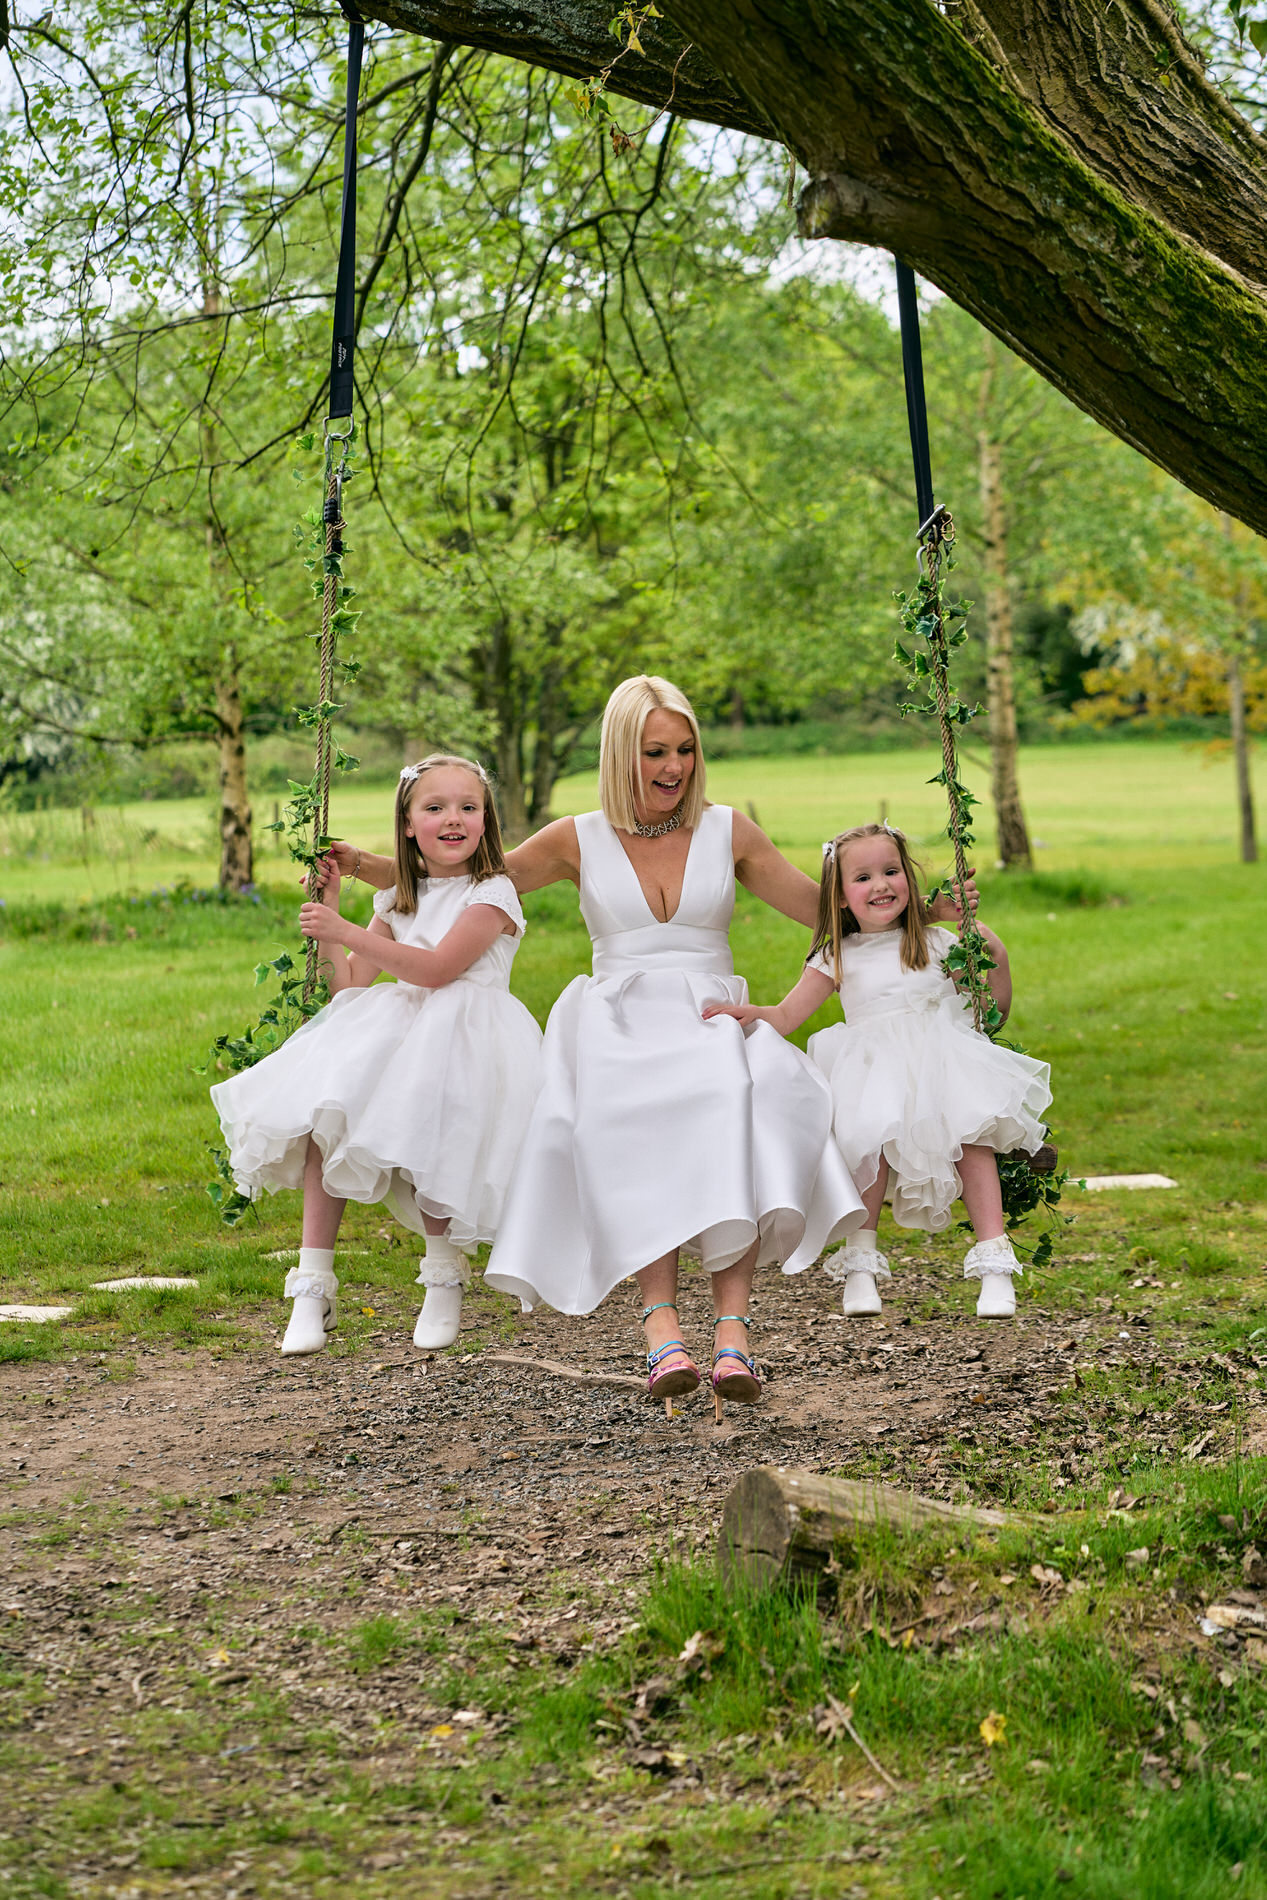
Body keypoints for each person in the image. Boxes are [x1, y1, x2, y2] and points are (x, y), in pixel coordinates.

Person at [210, 755, 542, 1357]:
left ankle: (443, 1276)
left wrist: (346, 931)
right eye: (434, 808)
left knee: (437, 1129)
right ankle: (313, 1282)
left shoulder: (493, 892)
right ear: (408, 823)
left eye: (468, 808)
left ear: (487, 820)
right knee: (327, 1114)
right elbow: (353, 987)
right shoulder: (396, 897)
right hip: (399, 1024)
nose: (453, 820)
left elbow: (439, 969)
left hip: (468, 1035)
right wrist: (336, 916)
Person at [704, 822, 1051, 1320]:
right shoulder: (835, 953)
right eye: (862, 877)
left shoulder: (936, 942)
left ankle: (995, 1266)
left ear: (909, 879)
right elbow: (786, 1016)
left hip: (943, 1062)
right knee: (869, 1144)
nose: (881, 885)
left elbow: (992, 1011)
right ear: (841, 897)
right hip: (870, 1069)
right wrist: (752, 1016)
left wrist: (990, 949)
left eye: (891, 871)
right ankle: (861, 1269)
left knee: (972, 1141)